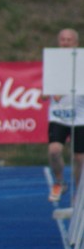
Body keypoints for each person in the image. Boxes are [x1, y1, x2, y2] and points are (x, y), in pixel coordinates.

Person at [46, 28, 81, 201]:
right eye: (62, 40)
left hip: (80, 116)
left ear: (76, 43)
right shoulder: (53, 62)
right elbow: (48, 93)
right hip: (59, 115)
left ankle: (78, 193)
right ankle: (59, 182)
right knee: (54, 150)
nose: (65, 43)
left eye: (69, 40)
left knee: (80, 158)